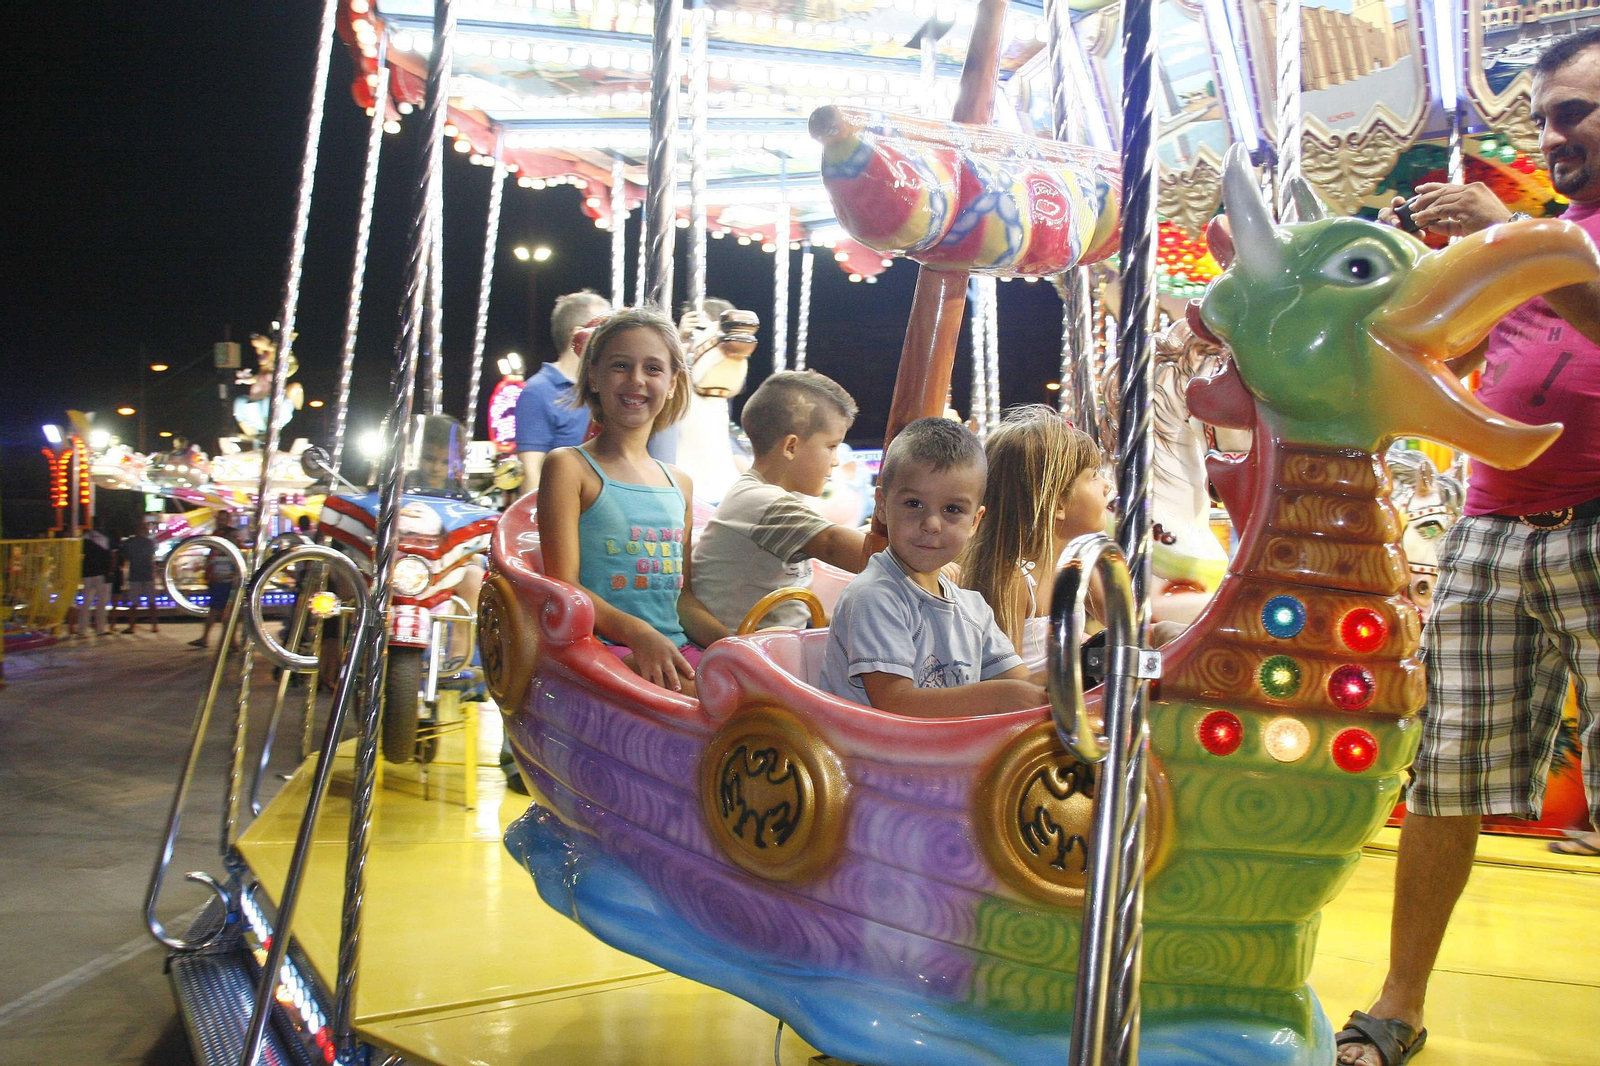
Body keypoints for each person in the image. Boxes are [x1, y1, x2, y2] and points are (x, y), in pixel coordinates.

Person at [1339, 29, 1600, 1066]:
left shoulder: (1548, 239)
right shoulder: (1548, 234)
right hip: (1491, 531)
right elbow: (1454, 352)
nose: (1552, 134)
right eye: (1542, 116)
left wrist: (1513, 240)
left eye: (1572, 110)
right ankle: (1398, 1000)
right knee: (1441, 771)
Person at [537, 307, 729, 695]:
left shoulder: (680, 483)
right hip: (603, 650)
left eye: (653, 369)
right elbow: (565, 586)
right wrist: (639, 634)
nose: (636, 380)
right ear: (593, 375)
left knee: (766, 688)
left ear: (674, 383)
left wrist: (736, 643)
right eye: (621, 366)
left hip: (670, 650)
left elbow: (681, 599)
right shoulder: (569, 467)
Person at [817, 417, 1046, 716]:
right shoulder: (875, 596)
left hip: (935, 754)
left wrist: (1069, 677)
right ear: (883, 505)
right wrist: (1001, 697)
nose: (931, 524)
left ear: (975, 522)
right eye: (914, 504)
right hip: (874, 757)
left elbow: (1022, 683)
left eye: (952, 510)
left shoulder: (972, 608)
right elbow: (895, 702)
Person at [692, 371, 866, 632]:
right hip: (741, 657)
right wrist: (920, 557)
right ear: (791, 447)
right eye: (831, 446)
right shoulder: (762, 502)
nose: (836, 460)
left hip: (771, 642)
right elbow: (834, 545)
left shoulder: (774, 500)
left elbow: (794, 614)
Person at [515, 289, 612, 493]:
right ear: (579, 336)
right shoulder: (539, 391)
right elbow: (531, 471)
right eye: (606, 329)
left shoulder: (607, 386)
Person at [190, 527, 240, 649]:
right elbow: (209, 566)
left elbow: (238, 571)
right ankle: (228, 641)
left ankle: (229, 640)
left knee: (225, 613)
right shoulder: (220, 552)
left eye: (235, 536)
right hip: (220, 585)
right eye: (233, 536)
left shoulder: (233, 553)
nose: (235, 539)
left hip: (227, 585)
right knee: (219, 612)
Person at [118, 521, 160, 635]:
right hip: (147, 574)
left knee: (133, 602)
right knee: (151, 601)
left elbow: (125, 557)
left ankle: (131, 626)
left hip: (134, 574)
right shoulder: (149, 543)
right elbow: (152, 557)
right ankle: (154, 626)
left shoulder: (129, 542)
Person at [75, 527, 114, 638]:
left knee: (86, 602)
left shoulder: (84, 539)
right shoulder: (104, 538)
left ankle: (82, 630)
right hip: (100, 574)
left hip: (87, 573)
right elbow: (109, 556)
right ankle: (100, 628)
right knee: (101, 602)